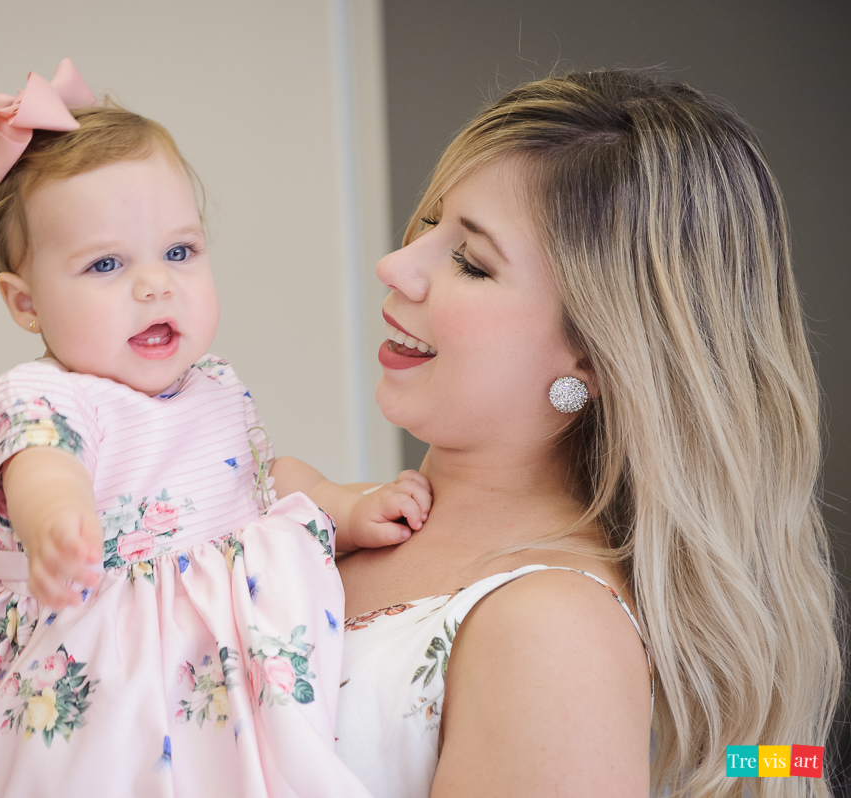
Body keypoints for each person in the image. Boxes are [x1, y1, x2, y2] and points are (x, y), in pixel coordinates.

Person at [0, 60, 428, 798]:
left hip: (202, 671)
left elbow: (261, 485)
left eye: (179, 252)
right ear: (25, 303)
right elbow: (42, 466)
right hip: (99, 657)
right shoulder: (45, 394)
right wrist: (57, 524)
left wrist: (345, 505)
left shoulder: (214, 383)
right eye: (106, 263)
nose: (155, 283)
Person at [327, 69, 843, 797]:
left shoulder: (553, 635)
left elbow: (752, 763)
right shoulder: (334, 515)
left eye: (472, 261)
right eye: (430, 223)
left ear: (597, 355)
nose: (395, 265)